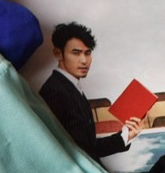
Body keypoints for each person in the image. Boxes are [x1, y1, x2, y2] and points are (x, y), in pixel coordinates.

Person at [39, 22, 141, 159]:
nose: (84, 60)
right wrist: (123, 138)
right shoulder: (55, 91)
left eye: (87, 53)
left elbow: (85, 144)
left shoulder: (69, 86)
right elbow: (77, 151)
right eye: (76, 53)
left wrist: (126, 136)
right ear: (58, 54)